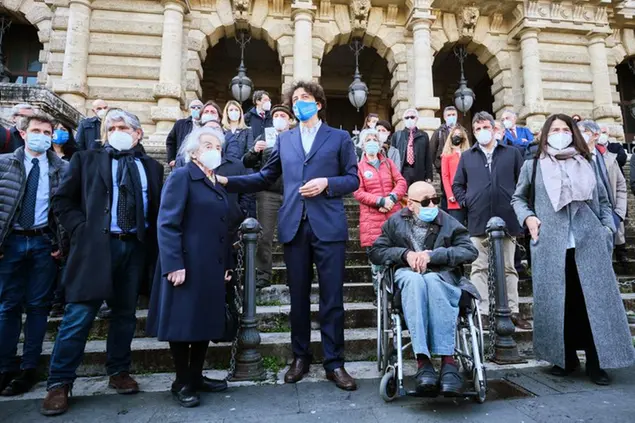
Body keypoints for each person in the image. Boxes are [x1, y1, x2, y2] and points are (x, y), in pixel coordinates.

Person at [217, 81, 359, 391]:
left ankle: (335, 363)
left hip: (329, 226)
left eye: (305, 98)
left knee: (332, 299)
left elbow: (353, 179)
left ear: (318, 103)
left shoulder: (339, 137)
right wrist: (228, 180)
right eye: (295, 99)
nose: (299, 103)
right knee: (297, 299)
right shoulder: (285, 140)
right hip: (294, 224)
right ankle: (301, 357)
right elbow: (266, 176)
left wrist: (326, 183)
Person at [41, 110, 164, 416]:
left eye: (123, 127)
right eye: (111, 127)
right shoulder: (86, 159)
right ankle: (59, 382)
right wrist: (81, 230)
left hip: (133, 249)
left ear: (138, 134)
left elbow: (157, 210)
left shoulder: (152, 167)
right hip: (95, 249)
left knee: (124, 315)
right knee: (78, 315)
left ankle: (119, 371)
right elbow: (62, 200)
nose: (116, 131)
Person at [511, 113, 635, 385]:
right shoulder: (533, 165)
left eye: (564, 129)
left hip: (589, 242)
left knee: (593, 303)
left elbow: (604, 201)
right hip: (550, 245)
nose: (559, 133)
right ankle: (564, 358)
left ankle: (596, 361)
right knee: (559, 303)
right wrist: (528, 217)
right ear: (545, 134)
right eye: (554, 129)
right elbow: (518, 198)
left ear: (573, 133)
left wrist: (606, 230)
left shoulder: (588, 161)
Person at [147, 128, 231, 408]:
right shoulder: (183, 175)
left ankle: (196, 376)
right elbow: (167, 222)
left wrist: (227, 264)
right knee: (183, 325)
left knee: (203, 322)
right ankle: (181, 381)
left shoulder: (214, 182)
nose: (214, 150)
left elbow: (222, 228)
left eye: (218, 146)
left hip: (211, 265)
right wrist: (173, 264)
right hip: (185, 263)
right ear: (194, 151)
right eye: (208, 145)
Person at [369, 182, 478, 396]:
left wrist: (433, 256)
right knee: (415, 281)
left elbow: (469, 250)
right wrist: (404, 255)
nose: (432, 205)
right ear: (410, 204)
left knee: (433, 282)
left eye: (435, 200)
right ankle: (423, 362)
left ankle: (448, 362)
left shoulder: (447, 221)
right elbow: (376, 251)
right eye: (426, 201)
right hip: (407, 275)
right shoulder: (395, 223)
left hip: (441, 274)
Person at [0, 114, 69, 396]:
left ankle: (29, 367)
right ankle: (5, 366)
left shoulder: (62, 168)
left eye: (47, 131)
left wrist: (61, 245)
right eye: (36, 130)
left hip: (43, 243)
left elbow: (64, 209)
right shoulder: (4, 164)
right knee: (8, 307)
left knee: (39, 308)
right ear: (23, 133)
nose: (42, 135)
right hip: (11, 243)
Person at [452, 111, 530, 330]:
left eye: (485, 127)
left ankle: (513, 310)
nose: (481, 132)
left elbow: (523, 183)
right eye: (477, 129)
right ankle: (483, 312)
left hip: (508, 218)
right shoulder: (468, 156)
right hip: (478, 219)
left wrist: (517, 204)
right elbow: (457, 184)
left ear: (495, 129)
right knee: (479, 267)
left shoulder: (512, 153)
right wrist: (468, 201)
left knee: (509, 268)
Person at [243, 104, 294, 288]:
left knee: (293, 235)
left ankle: (295, 274)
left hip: (291, 193)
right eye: (276, 115)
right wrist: (254, 150)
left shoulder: (296, 137)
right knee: (264, 236)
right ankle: (263, 274)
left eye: (283, 115)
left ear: (290, 120)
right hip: (268, 193)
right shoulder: (264, 136)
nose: (279, 118)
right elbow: (247, 161)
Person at [353, 128, 407, 290]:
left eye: (374, 140)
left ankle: (398, 294)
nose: (372, 143)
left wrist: (391, 198)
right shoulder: (358, 168)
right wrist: (379, 201)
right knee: (377, 262)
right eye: (368, 140)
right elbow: (358, 192)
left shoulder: (388, 163)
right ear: (362, 145)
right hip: (372, 220)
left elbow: (401, 182)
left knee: (398, 257)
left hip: (394, 215)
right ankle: (380, 294)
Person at [578, 120, 627, 263]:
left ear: (595, 135)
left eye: (583, 131)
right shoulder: (573, 158)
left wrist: (619, 214)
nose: (579, 135)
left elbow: (621, 186)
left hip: (610, 215)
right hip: (584, 216)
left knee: (606, 260)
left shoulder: (610, 158)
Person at [49, 122, 78, 318]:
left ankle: (60, 301)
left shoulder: (74, 159)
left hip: (65, 224)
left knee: (66, 265)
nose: (59, 133)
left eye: (64, 129)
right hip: (46, 224)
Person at [392, 108, 433, 186]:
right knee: (404, 196)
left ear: (416, 118)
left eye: (412, 117)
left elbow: (428, 157)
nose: (409, 119)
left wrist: (429, 175)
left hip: (419, 170)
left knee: (418, 196)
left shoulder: (423, 135)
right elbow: (392, 158)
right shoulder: (397, 135)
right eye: (407, 118)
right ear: (404, 120)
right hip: (403, 171)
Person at [441, 125, 470, 225]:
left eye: (459, 134)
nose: (457, 136)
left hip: (469, 194)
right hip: (454, 196)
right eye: (455, 134)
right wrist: (449, 194)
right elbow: (445, 176)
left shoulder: (468, 153)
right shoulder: (446, 155)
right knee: (458, 226)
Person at [166, 99, 204, 167]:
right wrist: (171, 158)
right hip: (182, 161)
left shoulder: (206, 125)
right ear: (189, 110)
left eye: (199, 107)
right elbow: (171, 141)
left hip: (201, 161)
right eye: (193, 107)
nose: (196, 109)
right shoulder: (180, 124)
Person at [430, 106, 458, 175]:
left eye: (453, 115)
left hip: (459, 166)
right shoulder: (438, 132)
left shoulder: (462, 131)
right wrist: (438, 164)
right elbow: (432, 150)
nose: (451, 117)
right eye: (449, 115)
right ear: (445, 117)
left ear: (457, 116)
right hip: (444, 167)